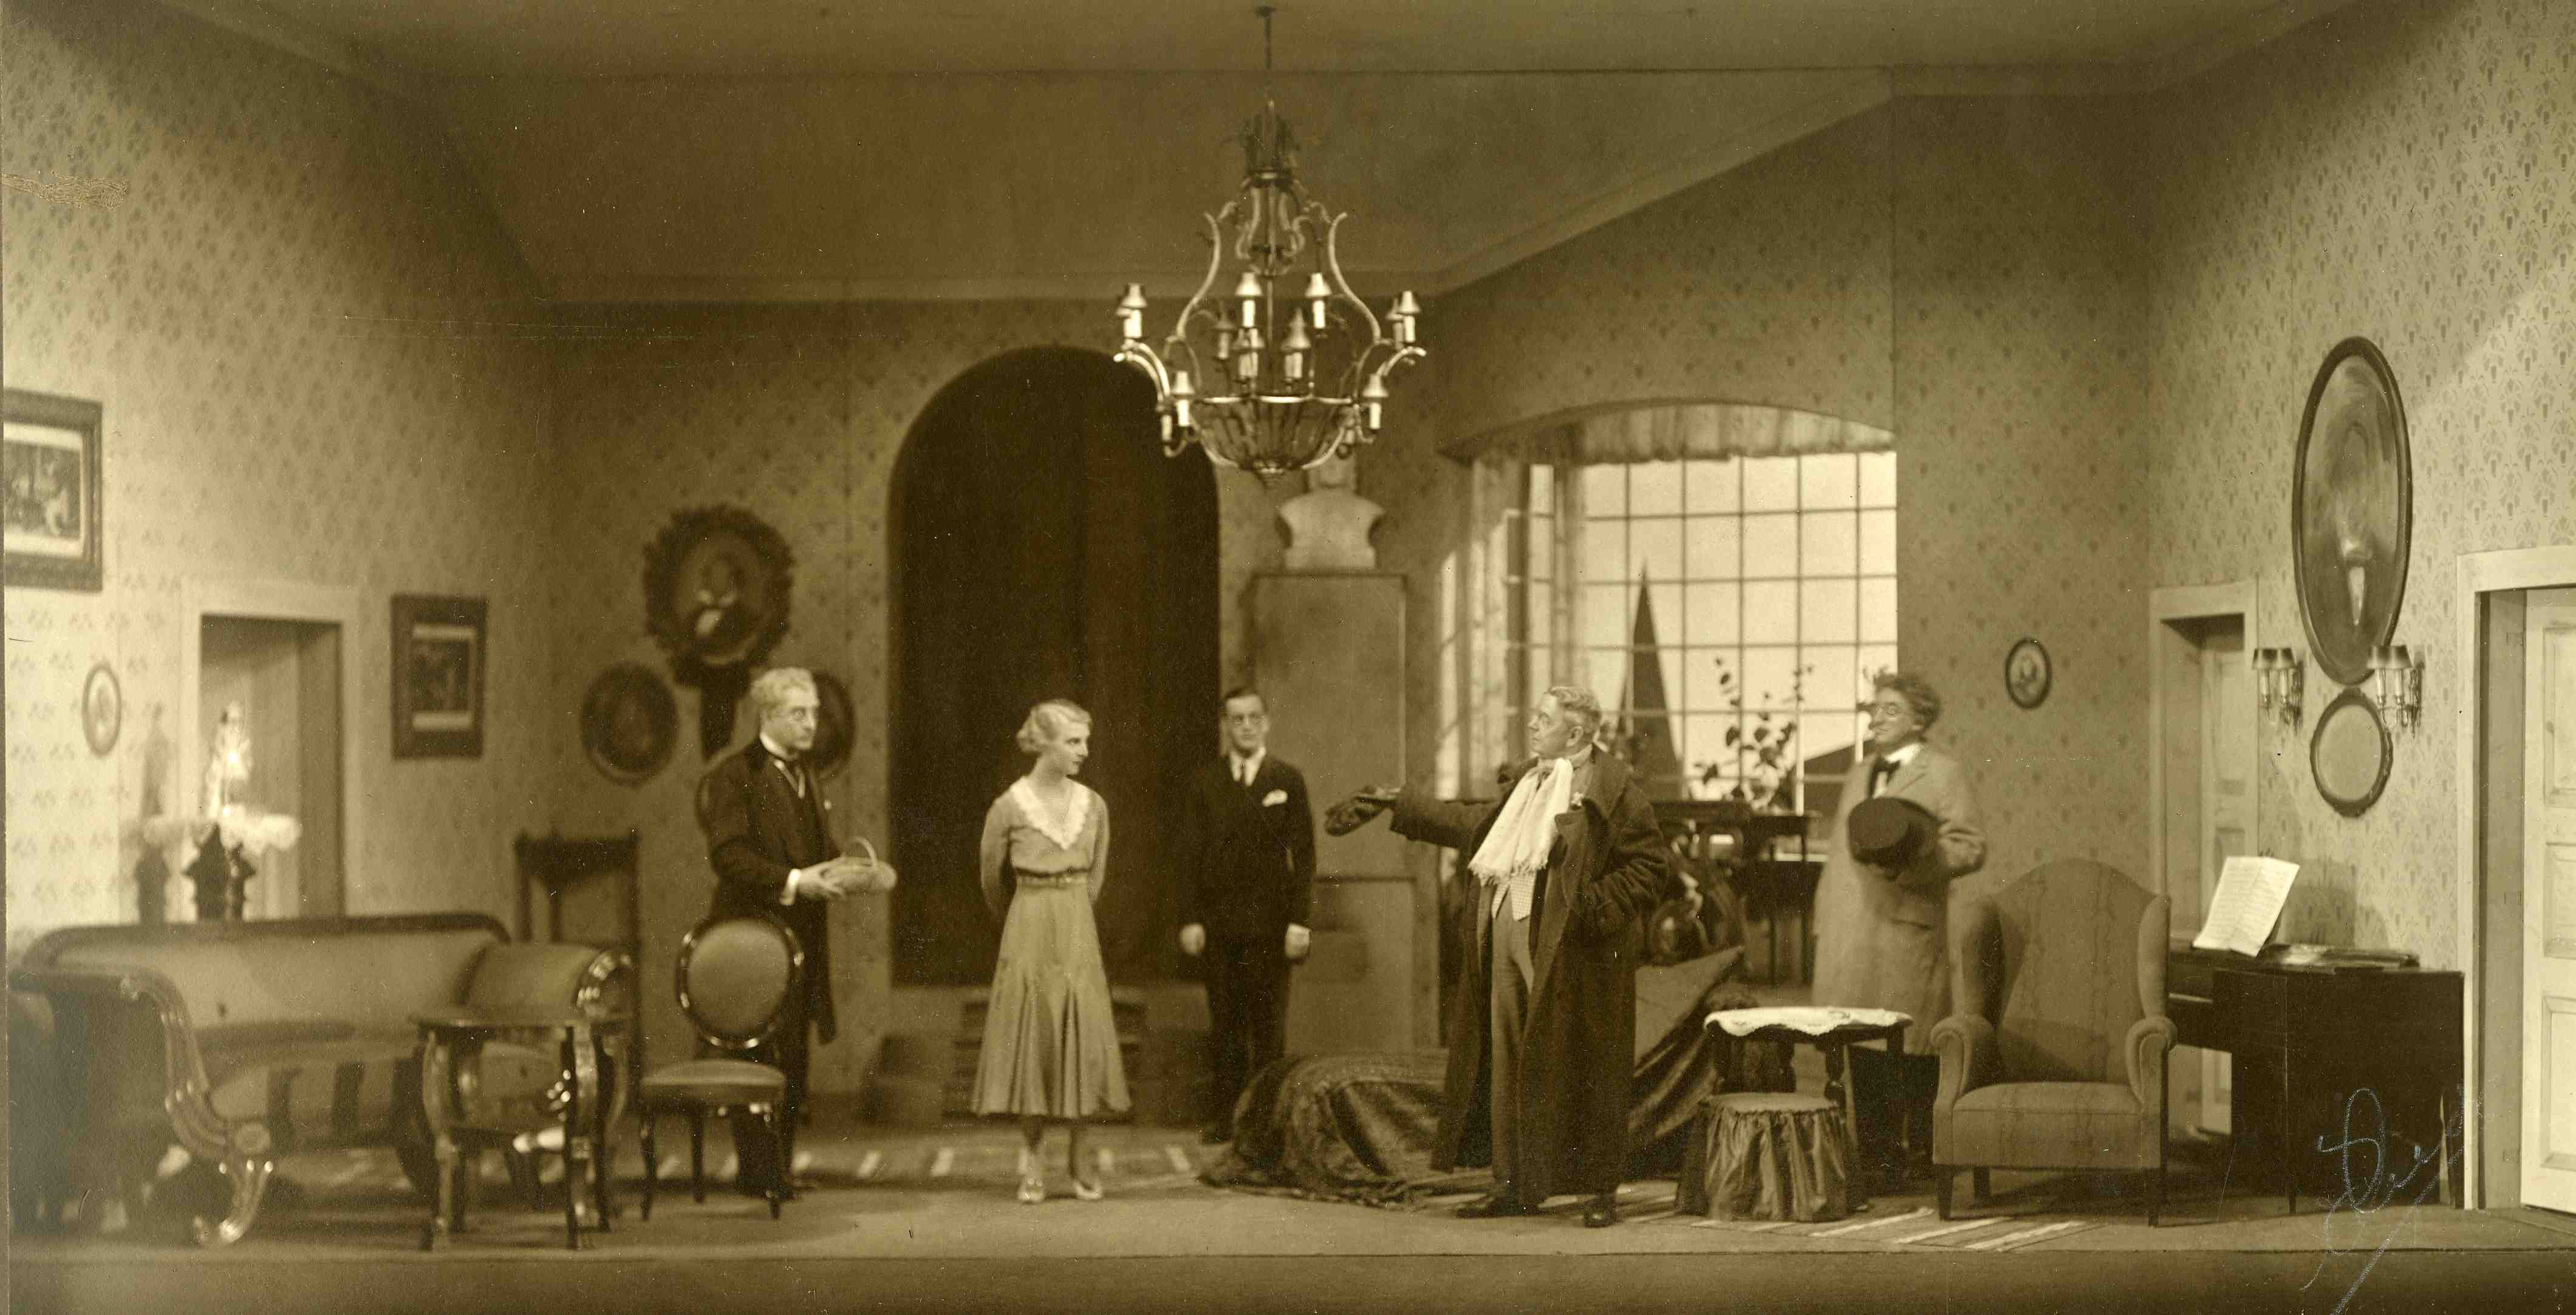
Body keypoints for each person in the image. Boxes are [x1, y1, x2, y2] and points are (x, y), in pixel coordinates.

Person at [1328, 685, 1676, 1228]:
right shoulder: (1526, 782)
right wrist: (1398, 802)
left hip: (1572, 953)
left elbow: (1651, 868)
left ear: (1575, 733)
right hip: (1505, 934)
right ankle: (1512, 1184)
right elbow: (1474, 824)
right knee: (1507, 1060)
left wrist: (1589, 908)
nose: (1532, 726)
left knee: (1588, 1067)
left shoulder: (1614, 792)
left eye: (1544, 719)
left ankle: (1599, 1190)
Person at [697, 666, 894, 1195]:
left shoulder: (806, 771)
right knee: (759, 1052)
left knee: (794, 1051)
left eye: (813, 713)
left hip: (800, 934)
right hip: (754, 936)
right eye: (798, 713)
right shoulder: (736, 774)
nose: (811, 723)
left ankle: (777, 1170)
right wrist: (794, 881)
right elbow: (727, 856)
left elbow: (812, 850)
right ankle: (759, 1174)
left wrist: (843, 870)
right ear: (767, 715)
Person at [1809, 670, 1986, 1180]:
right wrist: (1824, 916)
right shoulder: (1858, 771)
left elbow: (1969, 846)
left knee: (1912, 1046)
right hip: (1850, 928)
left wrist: (1912, 865)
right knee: (1860, 1045)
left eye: (1890, 710)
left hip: (1905, 927)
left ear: (1918, 720)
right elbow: (1838, 855)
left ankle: (1927, 1159)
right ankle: (1876, 1161)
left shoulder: (1943, 772)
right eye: (1874, 708)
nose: (1876, 718)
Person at [972, 698, 1132, 1203]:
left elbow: (1096, 876)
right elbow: (990, 879)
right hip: (1028, 925)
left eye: (1086, 741)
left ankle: (1080, 1153)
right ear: (1043, 744)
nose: (1084, 750)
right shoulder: (1009, 806)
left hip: (1076, 925)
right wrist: (1024, 916)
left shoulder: (1094, 805)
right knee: (1034, 1035)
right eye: (1073, 741)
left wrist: (1071, 912)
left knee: (1080, 1029)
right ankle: (1034, 1157)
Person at [1176, 688, 1317, 1144]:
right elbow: (1189, 857)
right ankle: (1227, 1120)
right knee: (1226, 1025)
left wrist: (1300, 922)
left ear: (1267, 721)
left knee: (1269, 1028)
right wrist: (1190, 919)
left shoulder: (1287, 780)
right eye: (1237, 719)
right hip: (1220, 926)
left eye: (1254, 717)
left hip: (1272, 928)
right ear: (1225, 725)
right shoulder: (1204, 782)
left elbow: (1305, 857)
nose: (1247, 726)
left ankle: (1267, 1123)